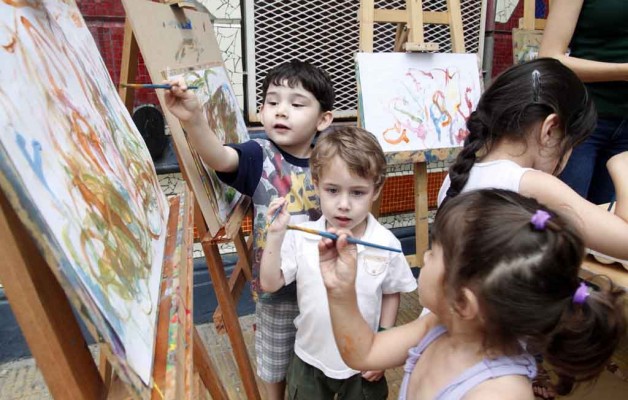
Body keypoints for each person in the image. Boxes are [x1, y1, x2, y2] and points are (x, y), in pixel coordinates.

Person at [320, 189, 627, 399]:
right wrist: (340, 291)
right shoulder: (436, 328)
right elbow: (365, 353)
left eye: (434, 252)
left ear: (463, 303)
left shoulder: (499, 392)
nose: (425, 257)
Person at [165, 60, 334, 400]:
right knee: (274, 362)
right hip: (276, 290)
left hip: (324, 283)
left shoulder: (332, 158)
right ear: (261, 110)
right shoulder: (261, 155)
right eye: (273, 102)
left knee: (320, 358)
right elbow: (219, 157)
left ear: (324, 119)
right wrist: (194, 120)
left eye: (296, 104)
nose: (281, 111)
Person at [261, 127, 418, 399]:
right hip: (310, 357)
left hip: (363, 359)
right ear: (316, 182)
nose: (344, 204)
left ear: (376, 190)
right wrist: (275, 235)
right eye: (333, 190)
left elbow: (391, 292)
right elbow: (270, 283)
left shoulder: (387, 242)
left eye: (357, 193)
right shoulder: (302, 237)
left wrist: (383, 339)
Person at [437, 57, 628, 262]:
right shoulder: (533, 186)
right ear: (550, 129)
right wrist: (621, 165)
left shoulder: (456, 176)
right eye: (572, 143)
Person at [539, 0, 628, 204]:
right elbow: (550, 57)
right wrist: (623, 72)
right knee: (565, 218)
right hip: (583, 121)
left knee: (613, 226)